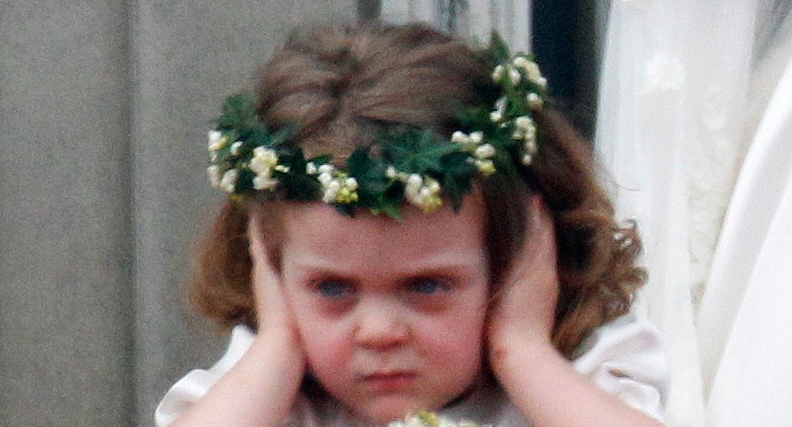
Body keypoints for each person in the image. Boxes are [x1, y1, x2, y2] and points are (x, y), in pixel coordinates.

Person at [156, 23, 667, 427]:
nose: (379, 333)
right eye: (331, 287)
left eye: (427, 285)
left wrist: (523, 352)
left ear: (518, 264)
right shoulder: (267, 396)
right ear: (270, 273)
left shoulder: (580, 376)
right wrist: (277, 349)